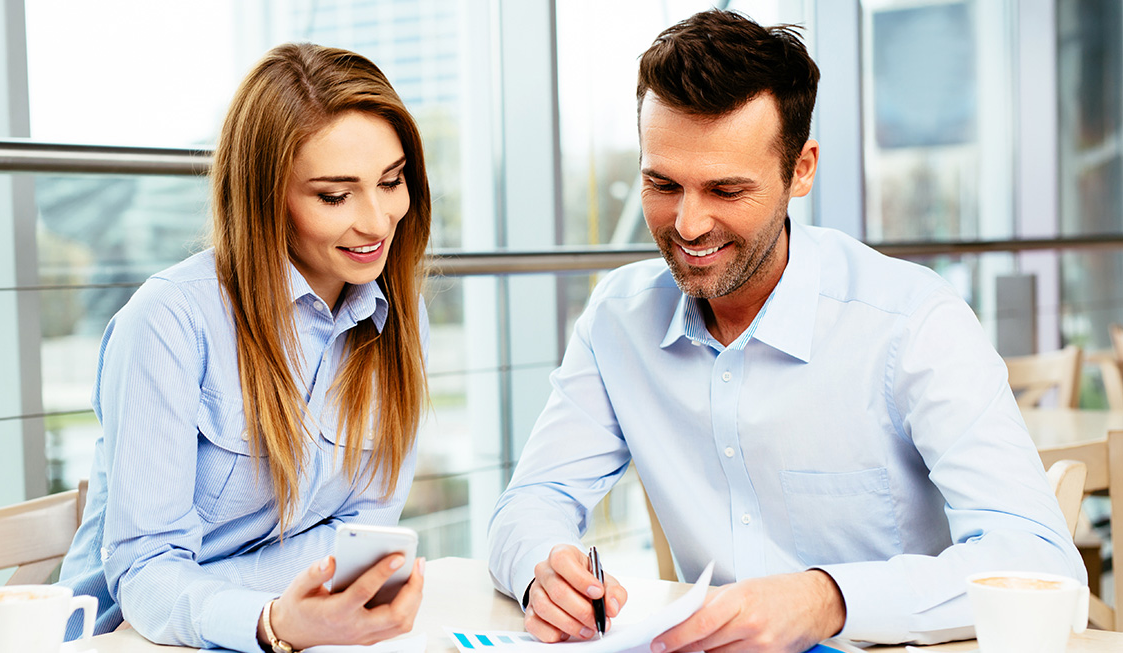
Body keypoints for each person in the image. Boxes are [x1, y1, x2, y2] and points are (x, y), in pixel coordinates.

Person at [487, 9, 1084, 652]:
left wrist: (828, 599)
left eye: (726, 189)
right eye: (662, 183)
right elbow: (532, 500)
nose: (688, 225)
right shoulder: (618, 319)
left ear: (801, 170)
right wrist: (543, 570)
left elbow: (1040, 562)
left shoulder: (912, 324)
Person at [58, 42, 432, 653]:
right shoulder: (171, 321)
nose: (377, 220)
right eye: (334, 196)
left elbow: (364, 536)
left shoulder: (383, 317)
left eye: (391, 182)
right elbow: (144, 575)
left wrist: (274, 615)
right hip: (129, 641)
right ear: (264, 198)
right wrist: (269, 618)